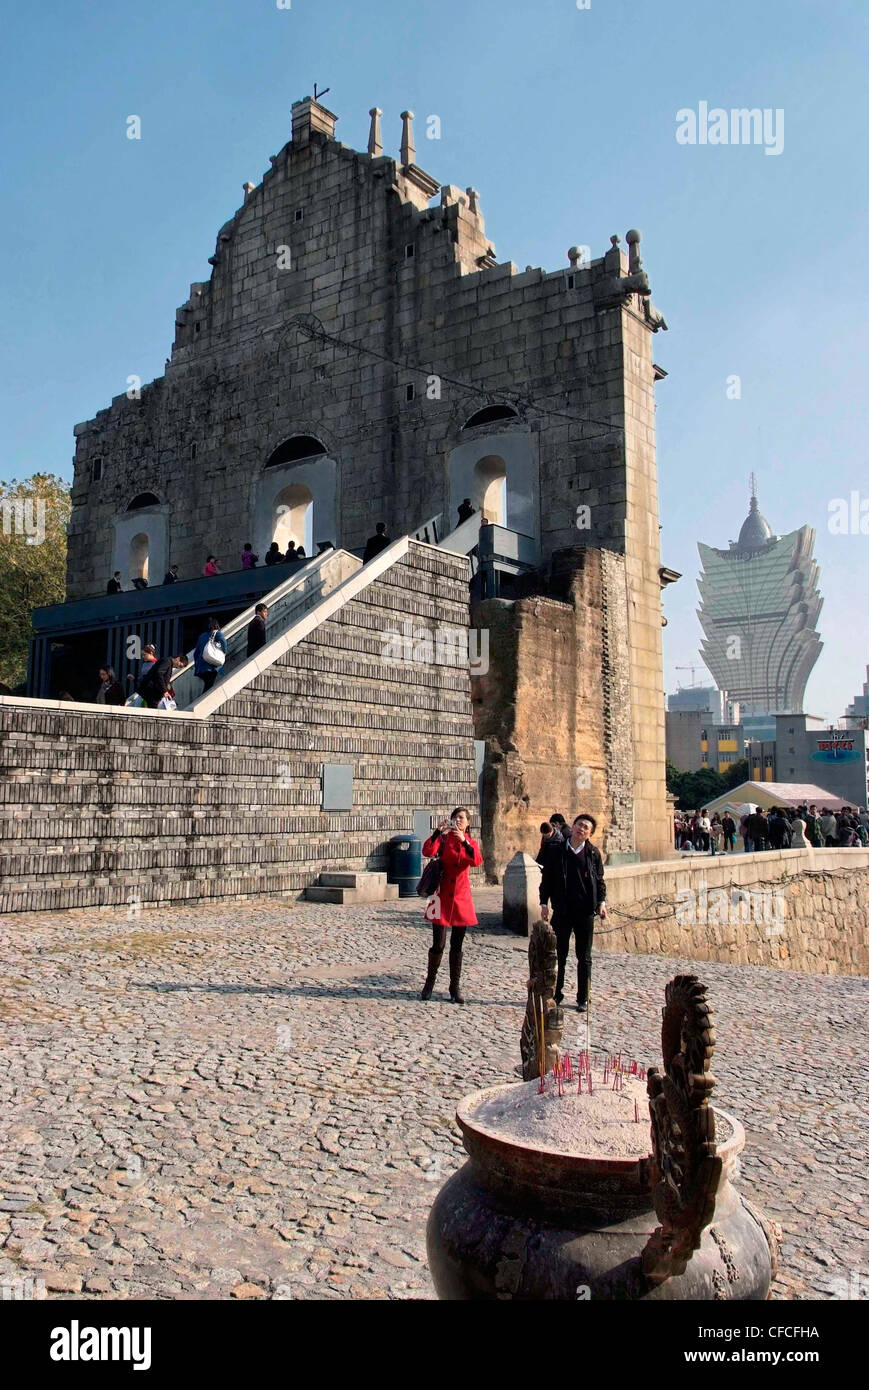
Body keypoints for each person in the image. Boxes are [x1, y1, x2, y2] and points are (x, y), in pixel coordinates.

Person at [538, 813, 607, 1012]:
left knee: (584, 956)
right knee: (559, 953)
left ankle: (583, 998)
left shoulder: (593, 854)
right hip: (562, 910)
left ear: (590, 833)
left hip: (585, 911)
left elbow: (600, 880)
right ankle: (556, 993)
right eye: (579, 825)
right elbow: (547, 880)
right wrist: (544, 904)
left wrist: (601, 903)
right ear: (573, 826)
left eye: (586, 827)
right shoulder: (557, 850)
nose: (581, 829)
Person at [419, 808, 483, 1003]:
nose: (458, 821)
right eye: (456, 817)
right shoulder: (444, 839)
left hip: (461, 897)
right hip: (441, 895)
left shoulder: (470, 843)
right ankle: (429, 983)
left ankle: (454, 987)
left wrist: (464, 840)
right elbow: (427, 850)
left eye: (462, 818)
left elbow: (476, 861)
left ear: (468, 823)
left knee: (457, 944)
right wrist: (438, 832)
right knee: (438, 943)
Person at [193, 616, 227, 692]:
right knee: (209, 686)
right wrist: (224, 652)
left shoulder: (201, 636)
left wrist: (196, 666)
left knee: (207, 685)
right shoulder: (217, 633)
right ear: (216, 625)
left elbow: (196, 653)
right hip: (211, 667)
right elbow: (223, 642)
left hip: (201, 667)